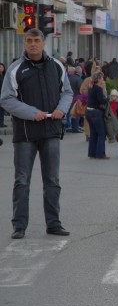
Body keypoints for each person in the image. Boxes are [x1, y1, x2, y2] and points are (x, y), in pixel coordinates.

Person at [0, 29, 74, 239]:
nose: (33, 44)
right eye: (29, 41)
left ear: (43, 43)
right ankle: (19, 226)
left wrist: (62, 109)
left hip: (51, 131)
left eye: (37, 41)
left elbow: (67, 92)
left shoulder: (56, 66)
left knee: (52, 179)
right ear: (25, 43)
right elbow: (6, 99)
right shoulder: (15, 69)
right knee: (22, 180)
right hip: (25, 134)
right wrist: (32, 114)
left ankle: (54, 223)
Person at [86, 72, 110, 159]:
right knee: (101, 133)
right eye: (102, 78)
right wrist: (107, 98)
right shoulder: (98, 88)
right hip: (96, 113)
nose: (103, 80)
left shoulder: (91, 87)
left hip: (88, 112)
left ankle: (92, 153)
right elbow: (101, 101)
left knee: (93, 133)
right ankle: (100, 154)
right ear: (99, 79)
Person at [0, 62, 7, 127]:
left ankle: (1, 123)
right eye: (0, 67)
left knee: (2, 110)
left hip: (3, 94)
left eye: (2, 67)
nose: (1, 68)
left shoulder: (4, 75)